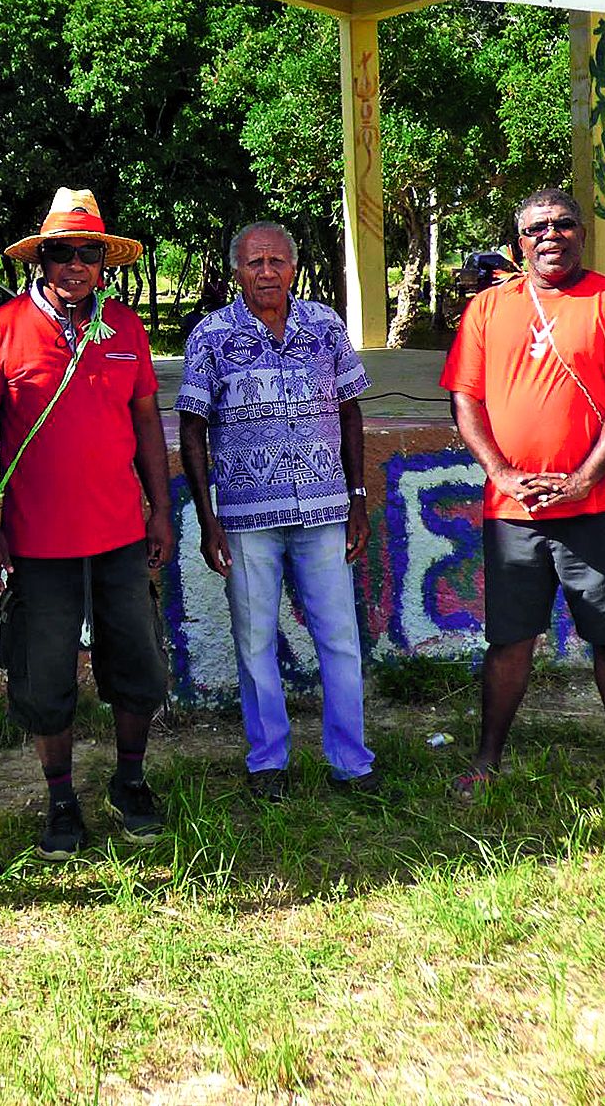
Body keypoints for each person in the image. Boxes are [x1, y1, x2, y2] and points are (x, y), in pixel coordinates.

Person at [0, 188, 174, 858]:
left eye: (88, 252)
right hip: (35, 539)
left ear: (103, 263)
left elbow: (145, 422)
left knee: (137, 659)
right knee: (42, 670)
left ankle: (130, 779)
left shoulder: (127, 329)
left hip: (119, 531)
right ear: (42, 258)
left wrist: (161, 510)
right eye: (62, 251)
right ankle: (60, 798)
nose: (75, 264)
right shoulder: (0, 330)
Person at [440, 187, 605, 803]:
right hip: (513, 510)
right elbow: (466, 397)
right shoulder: (488, 308)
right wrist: (502, 473)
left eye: (563, 224)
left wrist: (590, 474)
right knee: (509, 638)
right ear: (520, 240)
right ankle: (487, 760)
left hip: (593, 506)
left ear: (580, 233)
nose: (551, 236)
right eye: (538, 227)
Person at [179, 221, 378, 801]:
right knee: (254, 640)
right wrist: (207, 516)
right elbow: (193, 429)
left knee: (339, 638)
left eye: (276, 261)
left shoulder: (324, 325)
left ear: (292, 267)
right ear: (236, 271)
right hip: (245, 517)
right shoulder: (211, 336)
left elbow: (349, 413)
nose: (266, 272)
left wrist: (358, 498)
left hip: (324, 510)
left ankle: (352, 761)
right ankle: (268, 760)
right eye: (253, 262)